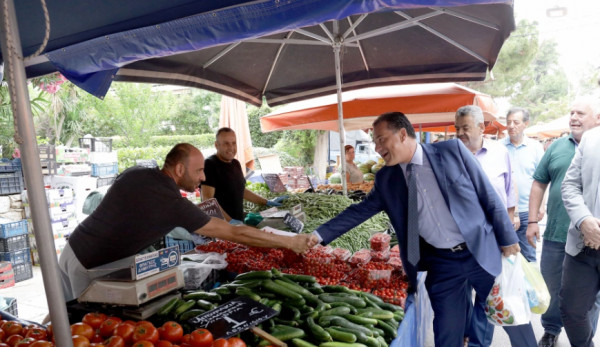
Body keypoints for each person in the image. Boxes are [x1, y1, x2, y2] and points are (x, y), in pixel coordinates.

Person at [313, 112, 521, 347]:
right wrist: (317, 236)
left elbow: (488, 194)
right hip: (442, 263)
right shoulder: (386, 178)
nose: (376, 147)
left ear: (403, 134)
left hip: (479, 250)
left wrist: (507, 238)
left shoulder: (452, 150)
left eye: (381, 139)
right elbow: (359, 211)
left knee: (514, 317)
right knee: (446, 333)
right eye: (374, 141)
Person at [58, 143, 317, 301]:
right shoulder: (170, 203)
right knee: (82, 322)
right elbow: (232, 233)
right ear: (179, 170)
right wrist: (288, 241)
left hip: (73, 249)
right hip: (90, 265)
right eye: (198, 171)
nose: (203, 177)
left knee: (60, 318)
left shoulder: (138, 173)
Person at [455, 106, 536, 347]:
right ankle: (471, 338)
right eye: (457, 128)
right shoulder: (449, 157)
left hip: (493, 240)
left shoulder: (500, 153)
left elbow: (509, 197)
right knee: (467, 298)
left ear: (481, 128)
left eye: (465, 128)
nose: (460, 133)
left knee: (496, 296)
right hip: (460, 242)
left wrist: (507, 236)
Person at [527, 98, 600, 347]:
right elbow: (541, 182)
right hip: (566, 235)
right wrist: (533, 220)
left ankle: (585, 337)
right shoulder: (560, 146)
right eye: (571, 112)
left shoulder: (589, 141)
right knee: (558, 292)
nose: (574, 117)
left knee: (589, 301)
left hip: (592, 239)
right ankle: (551, 330)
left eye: (580, 112)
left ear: (596, 118)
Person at [561, 116, 600, 347]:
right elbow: (570, 184)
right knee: (570, 309)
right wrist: (584, 220)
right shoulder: (591, 138)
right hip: (582, 246)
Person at [201, 128, 286, 223]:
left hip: (238, 222)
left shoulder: (235, 163)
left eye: (234, 143)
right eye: (226, 143)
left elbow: (241, 191)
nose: (231, 147)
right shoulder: (209, 164)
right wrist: (229, 222)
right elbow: (207, 199)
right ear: (217, 145)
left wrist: (266, 202)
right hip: (222, 227)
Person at [503, 107, 544, 262]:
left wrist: (541, 205)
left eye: (516, 122)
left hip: (528, 210)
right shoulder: (499, 147)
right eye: (508, 122)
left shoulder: (535, 148)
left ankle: (530, 287)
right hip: (505, 211)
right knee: (506, 256)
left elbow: (543, 179)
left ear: (526, 124)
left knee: (528, 255)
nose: (511, 126)